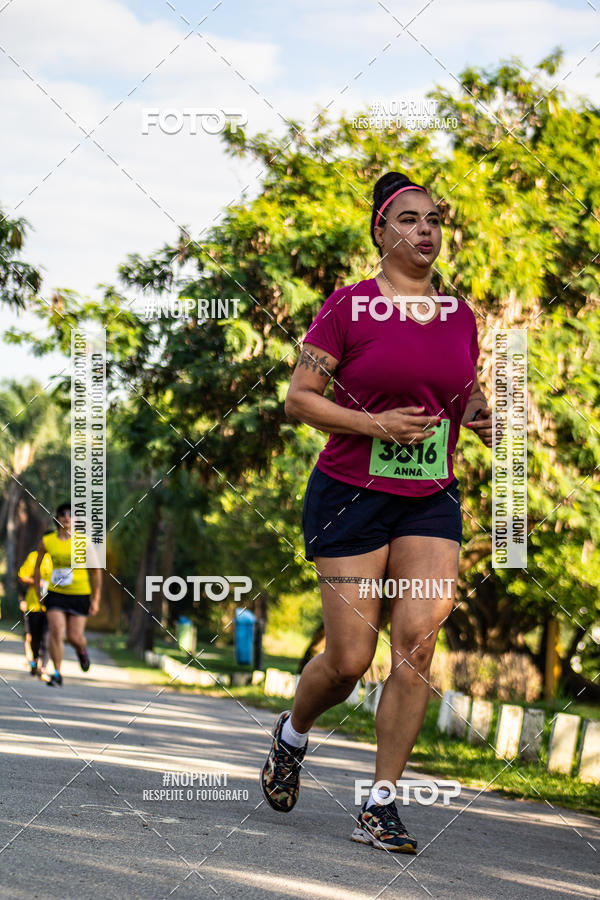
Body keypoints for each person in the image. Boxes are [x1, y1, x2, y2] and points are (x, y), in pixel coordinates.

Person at [260, 171, 493, 852]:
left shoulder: (460, 315)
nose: (427, 231)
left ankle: (381, 803)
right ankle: (291, 734)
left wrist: (482, 419)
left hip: (429, 500)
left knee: (418, 643)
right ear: (382, 233)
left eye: (434, 220)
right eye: (411, 220)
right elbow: (300, 398)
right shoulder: (348, 307)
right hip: (351, 496)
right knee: (348, 661)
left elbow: (464, 393)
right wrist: (375, 426)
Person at [33, 502, 102, 687]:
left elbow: (96, 571)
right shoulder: (48, 541)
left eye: (71, 514)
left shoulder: (83, 541)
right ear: (57, 518)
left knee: (74, 637)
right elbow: (37, 566)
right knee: (56, 631)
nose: (66, 517)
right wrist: (38, 591)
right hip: (56, 594)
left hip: (80, 594)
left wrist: (95, 599)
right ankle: (57, 673)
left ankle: (82, 650)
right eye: (63, 513)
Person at [18, 547, 53, 676]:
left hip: (53, 605)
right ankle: (35, 660)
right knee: (34, 636)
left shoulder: (58, 557)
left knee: (47, 636)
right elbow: (22, 576)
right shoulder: (34, 556)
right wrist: (37, 582)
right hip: (34, 604)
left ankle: (43, 666)